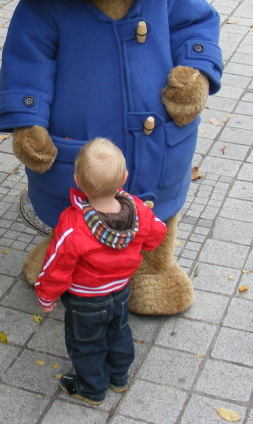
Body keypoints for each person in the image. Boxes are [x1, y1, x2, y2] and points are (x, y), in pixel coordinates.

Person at [35, 138, 167, 405]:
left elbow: (56, 265)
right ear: (125, 177)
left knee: (86, 344)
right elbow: (157, 232)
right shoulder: (138, 209)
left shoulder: (73, 224)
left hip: (85, 300)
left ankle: (91, 389)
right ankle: (119, 377)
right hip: (120, 290)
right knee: (119, 332)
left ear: (77, 179)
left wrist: (46, 296)